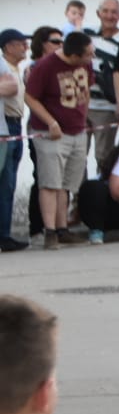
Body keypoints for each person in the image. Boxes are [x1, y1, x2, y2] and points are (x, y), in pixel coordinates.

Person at [24, 32, 93, 251]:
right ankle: (50, 232)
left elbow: (86, 90)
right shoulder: (46, 66)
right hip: (50, 132)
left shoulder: (86, 65)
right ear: (74, 55)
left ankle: (63, 230)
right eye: (88, 54)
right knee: (50, 182)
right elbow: (29, 96)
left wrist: (84, 116)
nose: (91, 57)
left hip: (77, 131)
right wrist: (50, 122)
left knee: (67, 184)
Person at [86, 0, 119, 172]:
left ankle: (102, 195)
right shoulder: (86, 35)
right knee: (77, 155)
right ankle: (79, 197)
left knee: (104, 155)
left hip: (107, 107)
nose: (109, 15)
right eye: (106, 11)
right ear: (98, 13)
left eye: (114, 12)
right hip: (80, 105)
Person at [0, 29, 27, 253]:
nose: (25, 47)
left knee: (9, 181)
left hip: (15, 123)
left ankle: (5, 233)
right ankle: (3, 235)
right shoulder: (4, 65)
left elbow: (14, 89)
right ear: (8, 46)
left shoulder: (14, 68)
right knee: (5, 180)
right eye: (20, 44)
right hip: (6, 123)